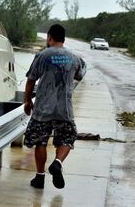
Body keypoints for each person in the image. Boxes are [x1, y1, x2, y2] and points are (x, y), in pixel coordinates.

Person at [23, 24, 86, 189]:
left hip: (43, 108)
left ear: (49, 37)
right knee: (68, 137)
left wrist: (28, 101)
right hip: (64, 109)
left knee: (41, 141)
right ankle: (57, 163)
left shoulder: (43, 55)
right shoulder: (74, 57)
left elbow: (31, 80)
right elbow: (79, 75)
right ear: (63, 39)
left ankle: (40, 178)